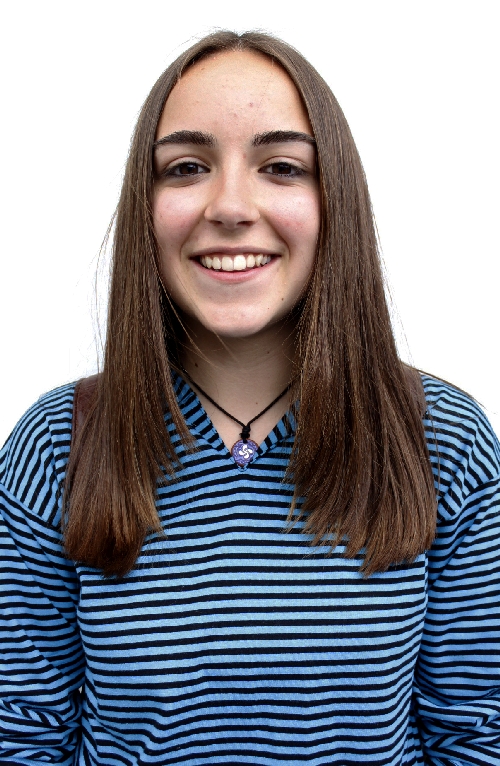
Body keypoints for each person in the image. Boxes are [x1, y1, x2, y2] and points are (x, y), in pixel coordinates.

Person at [0, 30, 499, 766]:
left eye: (282, 167)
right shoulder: (55, 445)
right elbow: (21, 736)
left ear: (335, 201)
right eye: (187, 167)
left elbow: (479, 736)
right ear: (146, 206)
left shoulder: (444, 440)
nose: (231, 205)